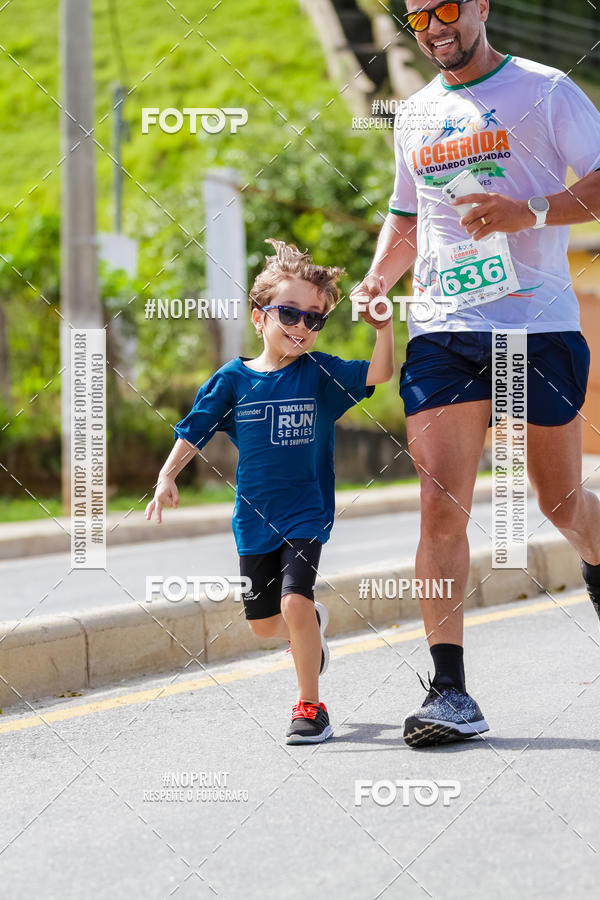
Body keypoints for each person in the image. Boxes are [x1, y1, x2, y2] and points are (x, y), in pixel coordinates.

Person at [351, 0, 600, 748]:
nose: (434, 27)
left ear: (482, 7)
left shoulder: (546, 90)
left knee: (560, 502)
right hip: (444, 329)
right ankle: (450, 691)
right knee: (440, 504)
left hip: (536, 327)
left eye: (448, 8)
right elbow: (408, 217)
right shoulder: (415, 114)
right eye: (417, 17)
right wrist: (378, 278)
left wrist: (528, 211)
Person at [146, 239, 394, 744]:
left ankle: (310, 707)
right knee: (263, 625)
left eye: (314, 319)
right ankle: (310, 629)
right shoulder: (233, 381)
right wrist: (166, 476)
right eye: (290, 313)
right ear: (260, 317)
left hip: (306, 513)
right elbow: (194, 430)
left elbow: (379, 372)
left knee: (295, 601)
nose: (303, 326)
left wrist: (384, 329)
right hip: (254, 519)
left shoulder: (319, 375)